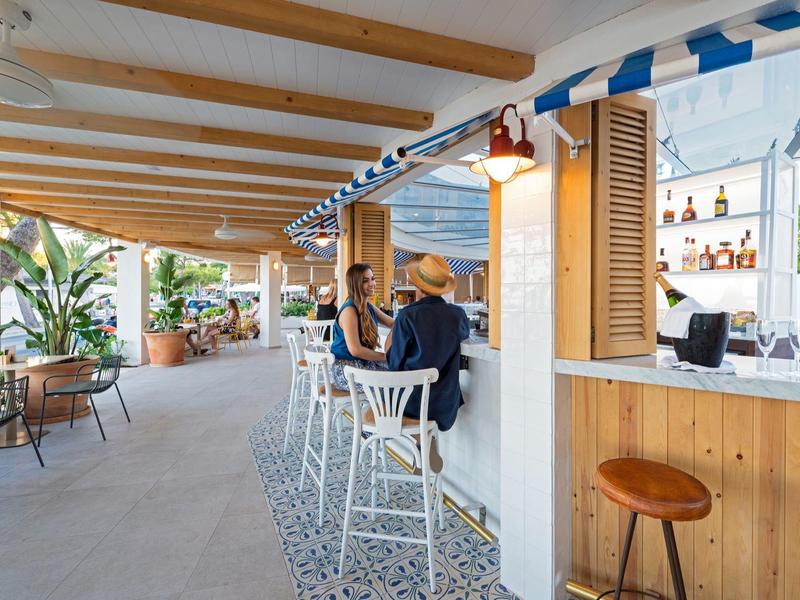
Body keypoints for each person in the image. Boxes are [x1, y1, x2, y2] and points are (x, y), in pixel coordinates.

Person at [384, 254, 470, 473]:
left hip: (410, 405)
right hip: (445, 402)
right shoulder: (458, 315)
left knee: (394, 393)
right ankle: (423, 440)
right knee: (427, 390)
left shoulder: (407, 316)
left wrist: (389, 341)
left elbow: (394, 364)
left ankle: (420, 441)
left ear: (416, 285)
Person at [330, 263, 394, 390]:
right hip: (345, 369)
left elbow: (395, 324)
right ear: (355, 284)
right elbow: (356, 350)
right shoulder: (349, 311)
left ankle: (386, 409)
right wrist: (386, 357)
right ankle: (380, 410)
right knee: (392, 383)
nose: (372, 283)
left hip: (362, 364)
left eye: (372, 278)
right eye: (366, 280)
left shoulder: (368, 306)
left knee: (400, 373)